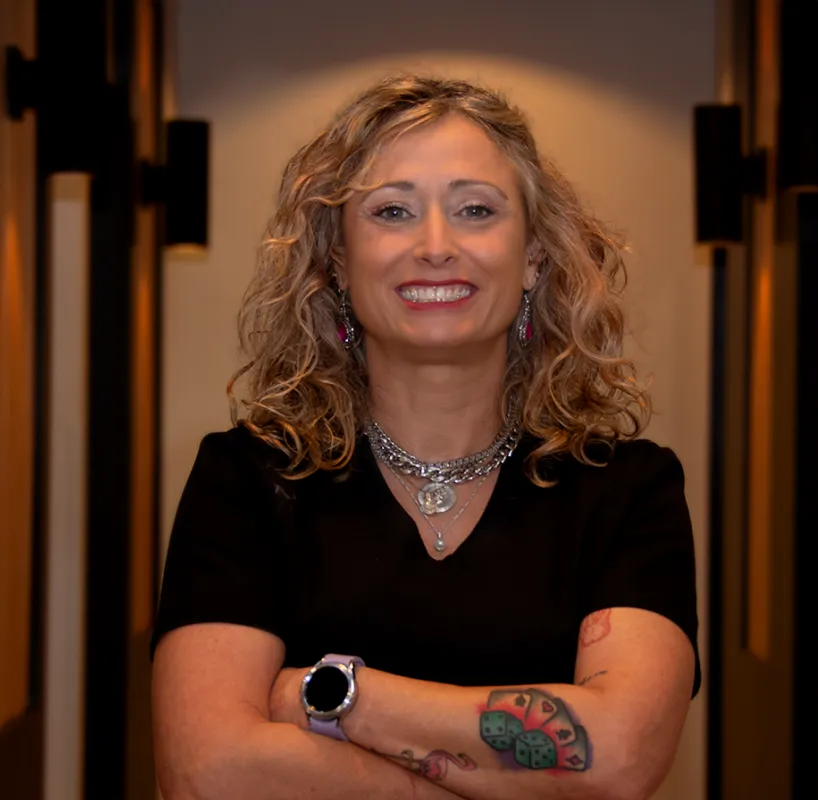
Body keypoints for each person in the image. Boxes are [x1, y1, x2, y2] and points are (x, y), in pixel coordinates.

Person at [150, 74, 700, 800]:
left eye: (476, 210)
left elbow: (621, 756)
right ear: (339, 260)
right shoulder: (248, 481)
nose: (435, 246)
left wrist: (327, 697)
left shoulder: (629, 488)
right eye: (392, 212)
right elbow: (207, 773)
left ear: (534, 255)